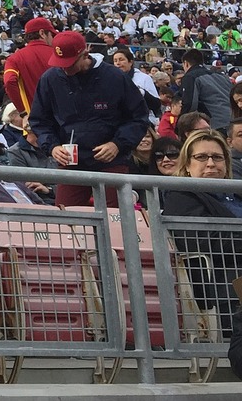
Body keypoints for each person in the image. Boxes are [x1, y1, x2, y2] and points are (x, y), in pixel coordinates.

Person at [30, 30, 148, 207]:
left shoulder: (115, 77)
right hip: (71, 160)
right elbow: (39, 120)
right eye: (60, 63)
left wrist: (117, 144)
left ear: (84, 54)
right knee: (67, 216)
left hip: (110, 159)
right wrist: (53, 147)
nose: (64, 68)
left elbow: (138, 117)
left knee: (114, 218)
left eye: (69, 63)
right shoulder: (50, 78)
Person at [160, 129, 242, 335]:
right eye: (202, 157)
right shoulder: (181, 196)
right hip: (224, 282)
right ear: (187, 164)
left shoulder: (236, 195)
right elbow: (201, 242)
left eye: (217, 157)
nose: (211, 163)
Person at [1, 16, 57, 116]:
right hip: (66, 119)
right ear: (42, 33)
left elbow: (9, 82)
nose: (53, 38)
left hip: (36, 121)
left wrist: (22, 111)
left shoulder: (15, 58)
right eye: (51, 35)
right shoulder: (59, 55)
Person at [181, 48, 234, 130]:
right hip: (233, 123)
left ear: (186, 63)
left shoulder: (190, 76)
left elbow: (190, 105)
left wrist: (179, 126)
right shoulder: (222, 76)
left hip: (214, 125)